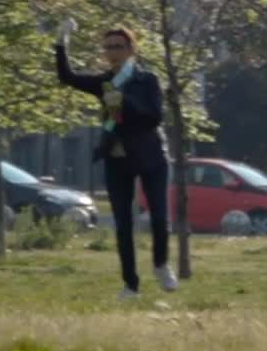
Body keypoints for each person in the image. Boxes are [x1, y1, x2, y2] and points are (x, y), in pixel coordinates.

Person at [54, 18, 177, 299]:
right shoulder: (103, 82)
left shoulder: (147, 80)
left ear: (131, 49)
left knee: (159, 218)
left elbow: (154, 116)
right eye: (108, 47)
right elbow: (67, 77)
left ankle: (160, 264)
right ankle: (130, 285)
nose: (112, 52)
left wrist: (122, 101)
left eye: (118, 46)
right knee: (123, 224)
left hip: (151, 157)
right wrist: (61, 44)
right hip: (118, 157)